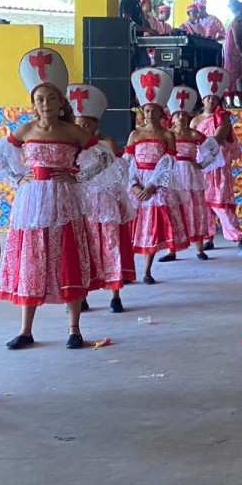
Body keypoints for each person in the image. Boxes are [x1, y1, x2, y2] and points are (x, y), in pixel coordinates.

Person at [0, 48, 111, 349]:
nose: (45, 104)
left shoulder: (72, 131)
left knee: (67, 258)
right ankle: (26, 330)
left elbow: (105, 157)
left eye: (51, 98)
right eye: (40, 99)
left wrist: (78, 176)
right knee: (33, 259)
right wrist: (19, 178)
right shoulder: (26, 129)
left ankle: (74, 329)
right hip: (32, 204)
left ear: (61, 102)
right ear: (34, 103)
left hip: (65, 202)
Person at [67, 83, 136, 313]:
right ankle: (82, 295)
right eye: (80, 124)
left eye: (88, 123)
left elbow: (119, 174)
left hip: (105, 202)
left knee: (110, 245)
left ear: (97, 123)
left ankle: (115, 294)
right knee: (83, 249)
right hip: (80, 203)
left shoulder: (107, 143)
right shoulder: (70, 145)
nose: (85, 128)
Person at [126, 67, 188, 283]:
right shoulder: (135, 134)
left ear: (162, 113)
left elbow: (168, 163)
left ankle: (147, 271)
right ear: (143, 113)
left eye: (155, 111)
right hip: (137, 184)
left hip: (156, 185)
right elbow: (128, 163)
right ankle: (127, 270)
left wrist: (152, 185)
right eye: (147, 111)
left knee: (151, 227)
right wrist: (134, 185)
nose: (151, 115)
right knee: (131, 227)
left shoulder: (167, 135)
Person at [192, 67, 242, 254]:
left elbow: (218, 138)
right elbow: (188, 140)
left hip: (217, 165)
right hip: (200, 167)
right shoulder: (195, 121)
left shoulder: (222, 118)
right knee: (203, 204)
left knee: (222, 202)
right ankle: (207, 237)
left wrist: (204, 145)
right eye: (208, 98)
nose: (211, 100)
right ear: (203, 99)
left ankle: (236, 237)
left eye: (214, 98)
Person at [163, 85, 222, 263]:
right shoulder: (167, 135)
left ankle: (199, 248)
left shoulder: (195, 134)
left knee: (195, 210)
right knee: (174, 211)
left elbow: (214, 148)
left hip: (191, 174)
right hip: (173, 175)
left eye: (183, 114)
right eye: (177, 114)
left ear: (189, 115)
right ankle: (171, 250)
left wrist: (201, 164)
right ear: (172, 117)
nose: (181, 117)